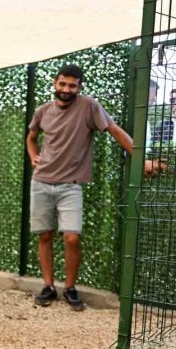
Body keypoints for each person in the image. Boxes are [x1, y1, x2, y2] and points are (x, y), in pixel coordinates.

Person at [26, 64, 134, 311]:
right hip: (41, 181)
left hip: (70, 186)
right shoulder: (43, 110)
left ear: (79, 87)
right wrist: (33, 155)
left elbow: (115, 131)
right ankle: (49, 287)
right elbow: (31, 137)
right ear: (55, 83)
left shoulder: (89, 106)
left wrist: (141, 158)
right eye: (62, 84)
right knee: (45, 235)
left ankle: (70, 288)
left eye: (72, 85)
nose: (66, 89)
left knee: (72, 237)